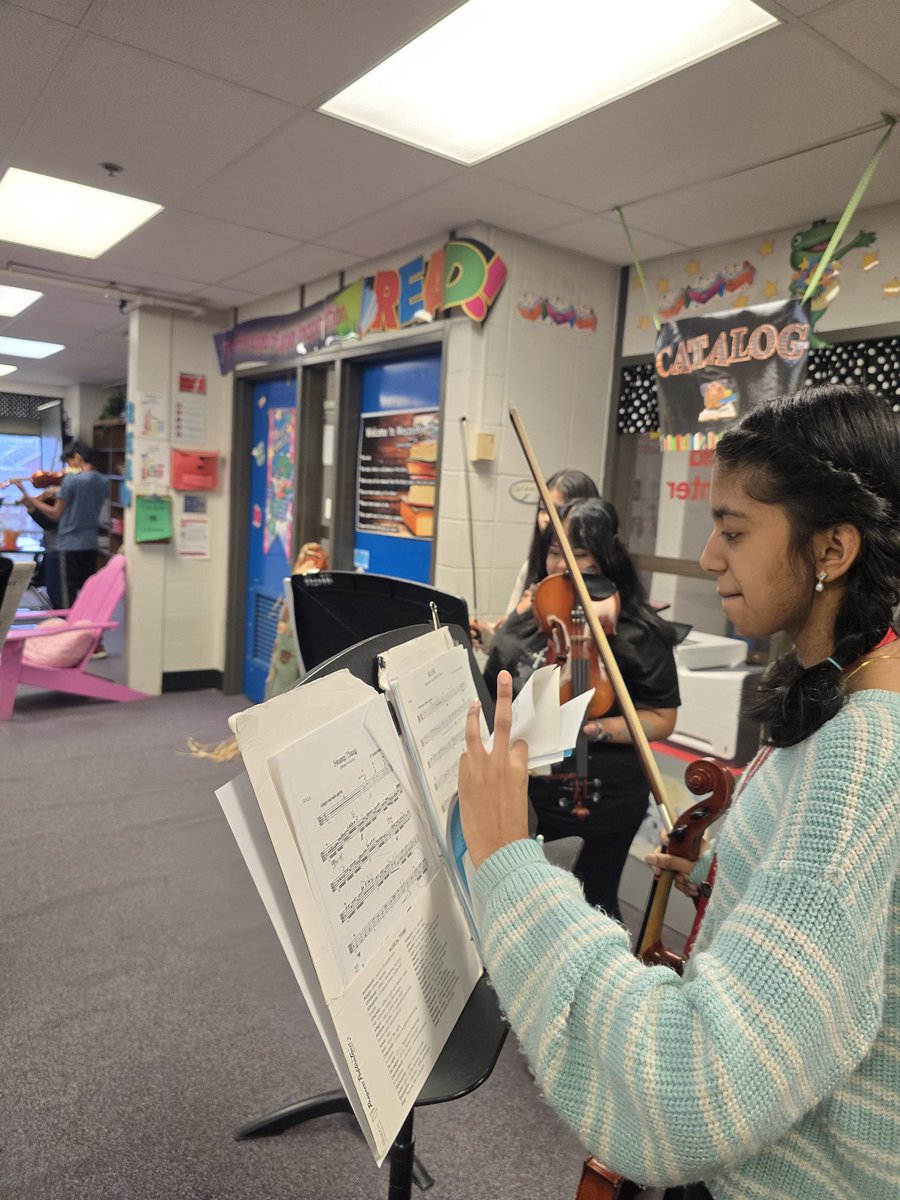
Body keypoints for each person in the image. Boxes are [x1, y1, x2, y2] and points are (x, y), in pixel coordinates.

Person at [457, 384, 900, 1199]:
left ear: (833, 549)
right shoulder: (845, 684)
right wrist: (719, 872)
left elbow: (692, 1094)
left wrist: (507, 859)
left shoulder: (862, 753)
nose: (708, 558)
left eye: (734, 530)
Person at [528, 496, 679, 920]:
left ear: (606, 558)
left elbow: (663, 719)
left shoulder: (639, 631)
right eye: (556, 552)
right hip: (534, 795)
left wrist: (596, 729)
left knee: (594, 906)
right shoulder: (541, 612)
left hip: (605, 800)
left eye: (579, 555)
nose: (563, 566)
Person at [472, 468, 599, 649]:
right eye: (543, 509)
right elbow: (513, 645)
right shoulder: (531, 567)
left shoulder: (592, 574)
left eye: (557, 510)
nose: (546, 519)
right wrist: (487, 635)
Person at [17, 440, 108, 610]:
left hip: (69, 546)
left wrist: (31, 500)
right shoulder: (103, 481)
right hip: (91, 544)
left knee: (65, 598)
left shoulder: (71, 481)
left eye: (69, 461)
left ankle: (67, 625)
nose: (68, 467)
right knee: (87, 593)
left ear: (77, 457)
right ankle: (86, 623)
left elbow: (55, 513)